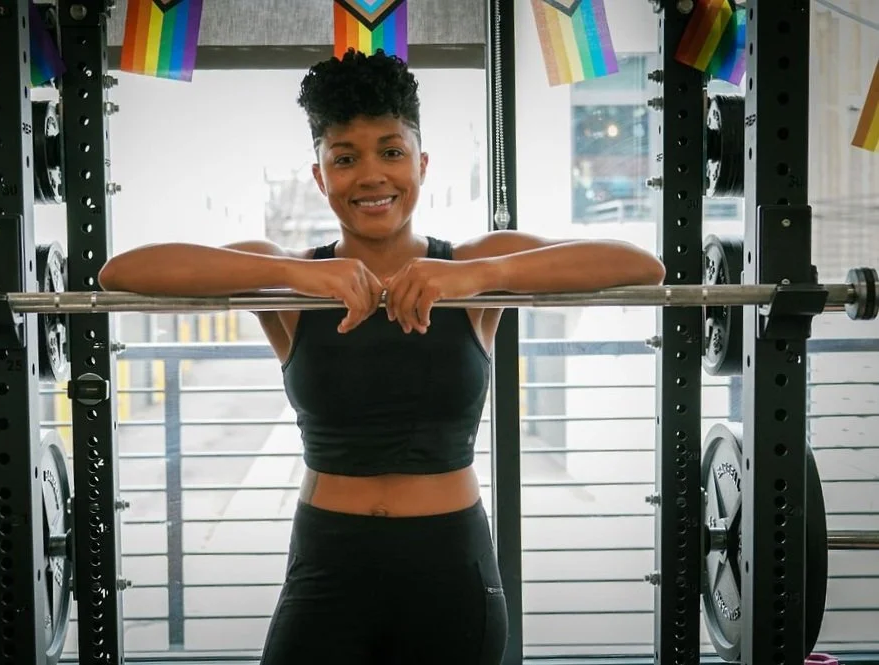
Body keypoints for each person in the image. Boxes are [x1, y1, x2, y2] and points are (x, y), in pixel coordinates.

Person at [98, 49, 666, 665]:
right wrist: (294, 271)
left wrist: (478, 276)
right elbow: (122, 273)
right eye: (345, 158)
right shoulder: (288, 283)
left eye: (391, 152)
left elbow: (640, 266)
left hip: (450, 566)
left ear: (421, 164)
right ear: (320, 176)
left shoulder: (474, 267)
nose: (371, 175)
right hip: (328, 564)